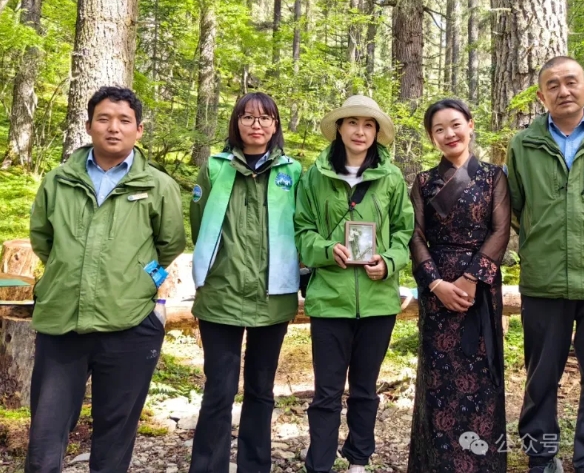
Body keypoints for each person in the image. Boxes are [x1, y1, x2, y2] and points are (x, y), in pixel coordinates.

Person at [26, 86, 186, 472]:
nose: (113, 128)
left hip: (130, 326)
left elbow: (169, 246)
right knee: (46, 436)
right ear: (88, 125)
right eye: (104, 118)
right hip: (63, 322)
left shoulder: (157, 186)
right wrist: (71, 274)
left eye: (124, 120)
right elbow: (43, 240)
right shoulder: (59, 181)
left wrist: (140, 280)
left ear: (139, 130)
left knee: (115, 436)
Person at [506, 56, 584, 473]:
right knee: (541, 378)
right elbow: (517, 209)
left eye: (571, 82)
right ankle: (542, 459)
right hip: (544, 280)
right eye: (553, 85)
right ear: (541, 95)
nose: (564, 91)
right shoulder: (523, 145)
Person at [294, 95, 414, 473]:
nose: (360, 131)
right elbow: (302, 230)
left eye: (368, 125)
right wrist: (327, 250)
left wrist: (390, 261)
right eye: (352, 123)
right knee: (327, 393)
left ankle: (359, 460)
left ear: (376, 132)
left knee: (365, 389)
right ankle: (321, 463)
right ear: (340, 129)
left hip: (378, 302)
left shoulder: (391, 177)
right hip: (330, 299)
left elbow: (404, 232)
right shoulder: (314, 176)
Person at [188, 92, 302, 472]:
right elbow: (199, 223)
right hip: (220, 296)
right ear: (236, 123)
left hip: (273, 298)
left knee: (261, 390)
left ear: (275, 125)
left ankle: (255, 466)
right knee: (218, 391)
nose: (257, 125)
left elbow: (302, 229)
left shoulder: (293, 172)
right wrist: (216, 267)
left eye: (265, 118)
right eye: (248, 117)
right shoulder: (216, 168)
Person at [407, 99, 510, 473]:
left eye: (455, 125)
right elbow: (415, 237)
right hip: (437, 290)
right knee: (438, 382)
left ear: (470, 125)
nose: (449, 134)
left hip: (479, 288)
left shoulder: (494, 177)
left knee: (482, 374)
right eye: (439, 129)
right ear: (432, 137)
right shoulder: (423, 182)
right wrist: (436, 284)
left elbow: (500, 231)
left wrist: (469, 278)